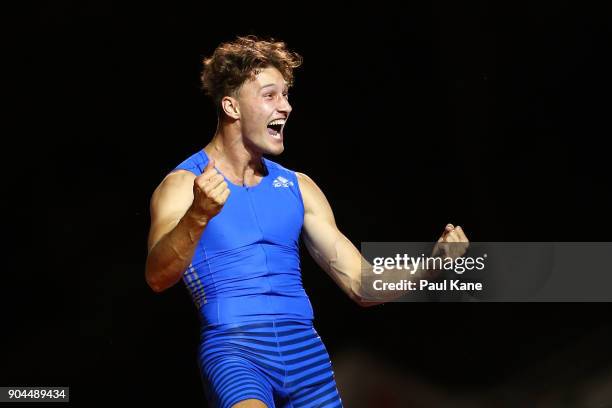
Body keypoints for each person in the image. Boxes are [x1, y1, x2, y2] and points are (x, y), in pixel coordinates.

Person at [145, 35, 468, 408]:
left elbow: (361, 283)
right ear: (232, 106)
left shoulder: (298, 187)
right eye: (270, 95)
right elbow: (157, 276)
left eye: (286, 95)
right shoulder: (184, 185)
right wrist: (198, 214)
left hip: (306, 357)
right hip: (235, 351)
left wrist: (431, 266)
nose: (286, 107)